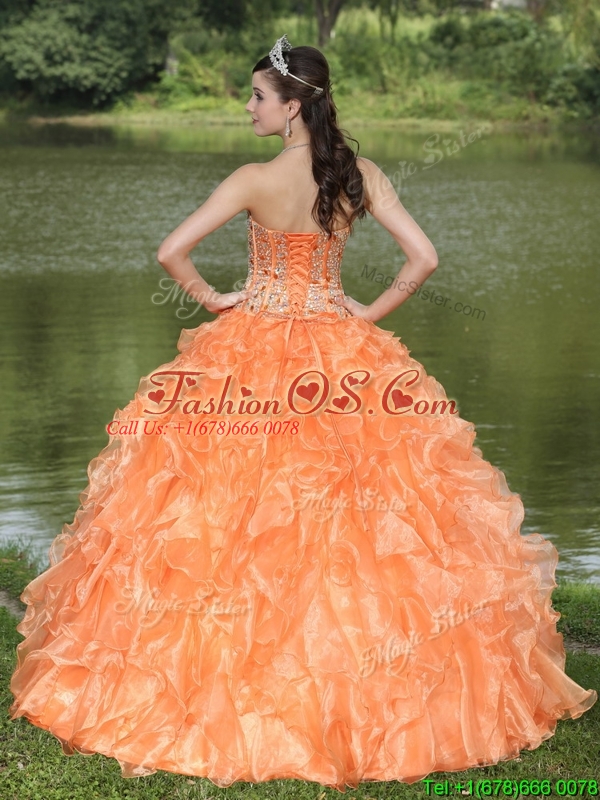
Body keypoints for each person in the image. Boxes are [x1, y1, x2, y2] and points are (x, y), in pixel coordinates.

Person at [9, 34, 597, 793]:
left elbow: (170, 252)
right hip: (343, 354)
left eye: (257, 95)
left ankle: (235, 679)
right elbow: (423, 259)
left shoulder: (253, 180)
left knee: (226, 514)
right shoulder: (359, 173)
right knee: (371, 519)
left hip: (250, 350)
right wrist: (366, 313)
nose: (247, 107)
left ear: (293, 106)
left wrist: (215, 299)